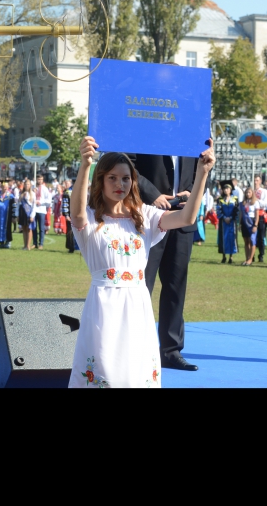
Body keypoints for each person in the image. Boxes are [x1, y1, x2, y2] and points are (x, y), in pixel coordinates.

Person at [70, 136, 215, 388]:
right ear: (100, 180)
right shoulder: (90, 220)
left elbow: (187, 217)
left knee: (137, 375)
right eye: (112, 178)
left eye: (126, 178)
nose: (120, 184)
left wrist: (202, 173)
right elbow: (77, 211)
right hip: (104, 307)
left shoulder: (145, 216)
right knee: (105, 374)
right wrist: (85, 164)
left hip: (138, 307)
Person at [129, 149, 207, 372]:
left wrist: (190, 194)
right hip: (148, 216)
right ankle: (134, 348)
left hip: (182, 219)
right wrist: (152, 194)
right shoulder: (146, 128)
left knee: (175, 286)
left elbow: (202, 169)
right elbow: (127, 164)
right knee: (141, 286)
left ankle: (171, 351)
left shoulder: (192, 136)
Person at [217, 181, 239, 265]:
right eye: (224, 189)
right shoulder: (220, 199)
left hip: (232, 222)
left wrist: (231, 218)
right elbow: (218, 210)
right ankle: (223, 256)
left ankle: (231, 257)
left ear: (231, 189)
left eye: (228, 188)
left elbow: (237, 210)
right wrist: (224, 217)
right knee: (223, 238)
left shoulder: (235, 199)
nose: (226, 190)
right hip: (223, 223)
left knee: (231, 238)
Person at [239, 186, 259, 266]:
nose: (247, 194)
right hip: (244, 223)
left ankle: (251, 259)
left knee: (252, 241)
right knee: (246, 241)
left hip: (252, 222)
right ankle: (247, 258)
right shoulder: (243, 203)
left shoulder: (255, 202)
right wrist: (239, 224)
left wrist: (255, 225)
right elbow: (241, 214)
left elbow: (257, 215)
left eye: (249, 192)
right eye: (246, 192)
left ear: (252, 193)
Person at [32, 173, 52, 249]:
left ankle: (41, 243)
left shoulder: (45, 189)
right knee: (34, 227)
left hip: (41, 210)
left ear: (42, 180)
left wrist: (41, 202)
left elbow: (49, 200)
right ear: (36, 180)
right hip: (34, 210)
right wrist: (33, 192)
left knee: (41, 228)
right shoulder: (33, 188)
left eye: (41, 179)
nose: (39, 181)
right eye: (38, 179)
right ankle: (34, 243)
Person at [253, 176, 267, 262]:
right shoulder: (251, 191)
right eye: (254, 180)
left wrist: (256, 200)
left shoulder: (264, 191)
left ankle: (261, 254)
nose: (255, 182)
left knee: (261, 236)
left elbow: (264, 204)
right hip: (252, 216)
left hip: (261, 215)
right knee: (252, 236)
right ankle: (252, 254)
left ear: (260, 181)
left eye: (257, 180)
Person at [18, 179, 35, 250]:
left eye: (28, 184)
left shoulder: (33, 194)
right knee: (24, 228)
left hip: (29, 213)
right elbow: (18, 204)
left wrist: (32, 215)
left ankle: (28, 245)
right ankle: (24, 245)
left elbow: (34, 206)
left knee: (29, 229)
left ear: (30, 185)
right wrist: (17, 214)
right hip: (22, 213)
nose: (26, 185)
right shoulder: (21, 193)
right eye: (25, 184)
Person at [62, 180, 75, 253]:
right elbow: (65, 204)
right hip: (70, 214)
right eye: (65, 183)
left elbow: (65, 204)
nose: (65, 184)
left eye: (67, 183)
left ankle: (73, 247)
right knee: (70, 231)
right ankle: (71, 247)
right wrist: (66, 215)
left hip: (74, 214)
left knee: (72, 231)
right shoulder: (67, 192)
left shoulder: (69, 191)